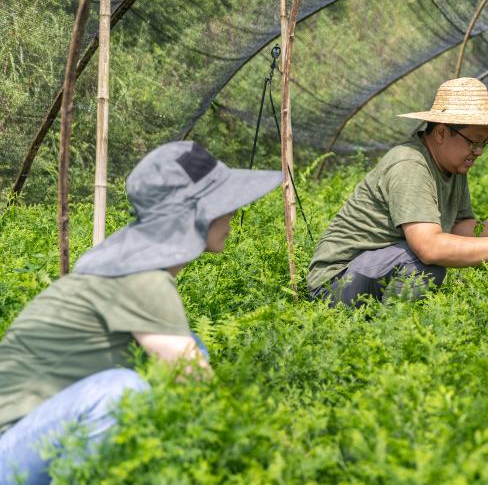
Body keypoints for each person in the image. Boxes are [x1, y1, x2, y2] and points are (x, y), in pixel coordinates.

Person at [0, 142, 282, 484]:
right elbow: (199, 389)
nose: (234, 212)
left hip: (39, 435)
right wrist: (268, 460)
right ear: (195, 214)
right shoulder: (141, 277)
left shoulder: (137, 268)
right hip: (11, 452)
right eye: (224, 203)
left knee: (190, 347)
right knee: (122, 393)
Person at [309, 77, 488, 307]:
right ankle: (388, 330)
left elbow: (457, 227)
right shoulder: (410, 165)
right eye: (473, 142)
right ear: (441, 133)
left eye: (484, 143)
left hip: (373, 268)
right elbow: (429, 247)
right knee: (423, 263)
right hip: (335, 283)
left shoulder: (454, 166)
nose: (479, 151)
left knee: (424, 259)